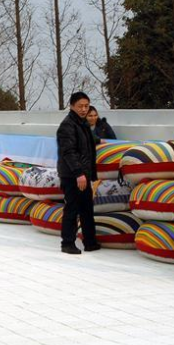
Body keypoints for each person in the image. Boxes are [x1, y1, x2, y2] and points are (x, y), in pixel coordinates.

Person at [57, 92, 100, 255]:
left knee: (87, 209)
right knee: (72, 209)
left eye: (86, 106)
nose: (83, 109)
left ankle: (90, 242)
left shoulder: (82, 124)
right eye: (80, 106)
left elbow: (87, 143)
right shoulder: (67, 125)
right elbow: (68, 152)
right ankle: (67, 243)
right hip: (72, 175)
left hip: (83, 174)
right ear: (72, 106)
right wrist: (78, 174)